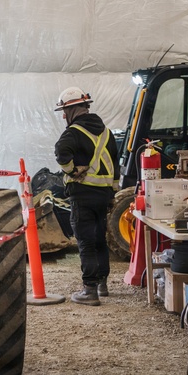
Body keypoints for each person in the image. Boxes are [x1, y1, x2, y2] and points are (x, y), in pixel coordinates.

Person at [53, 86, 118, 306]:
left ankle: (89, 290)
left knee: (86, 242)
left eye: (64, 111)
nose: (63, 115)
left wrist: (71, 171)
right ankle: (102, 284)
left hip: (82, 195)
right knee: (100, 239)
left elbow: (61, 153)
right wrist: (112, 193)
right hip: (103, 196)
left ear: (72, 110)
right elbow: (116, 167)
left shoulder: (72, 133)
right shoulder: (107, 133)